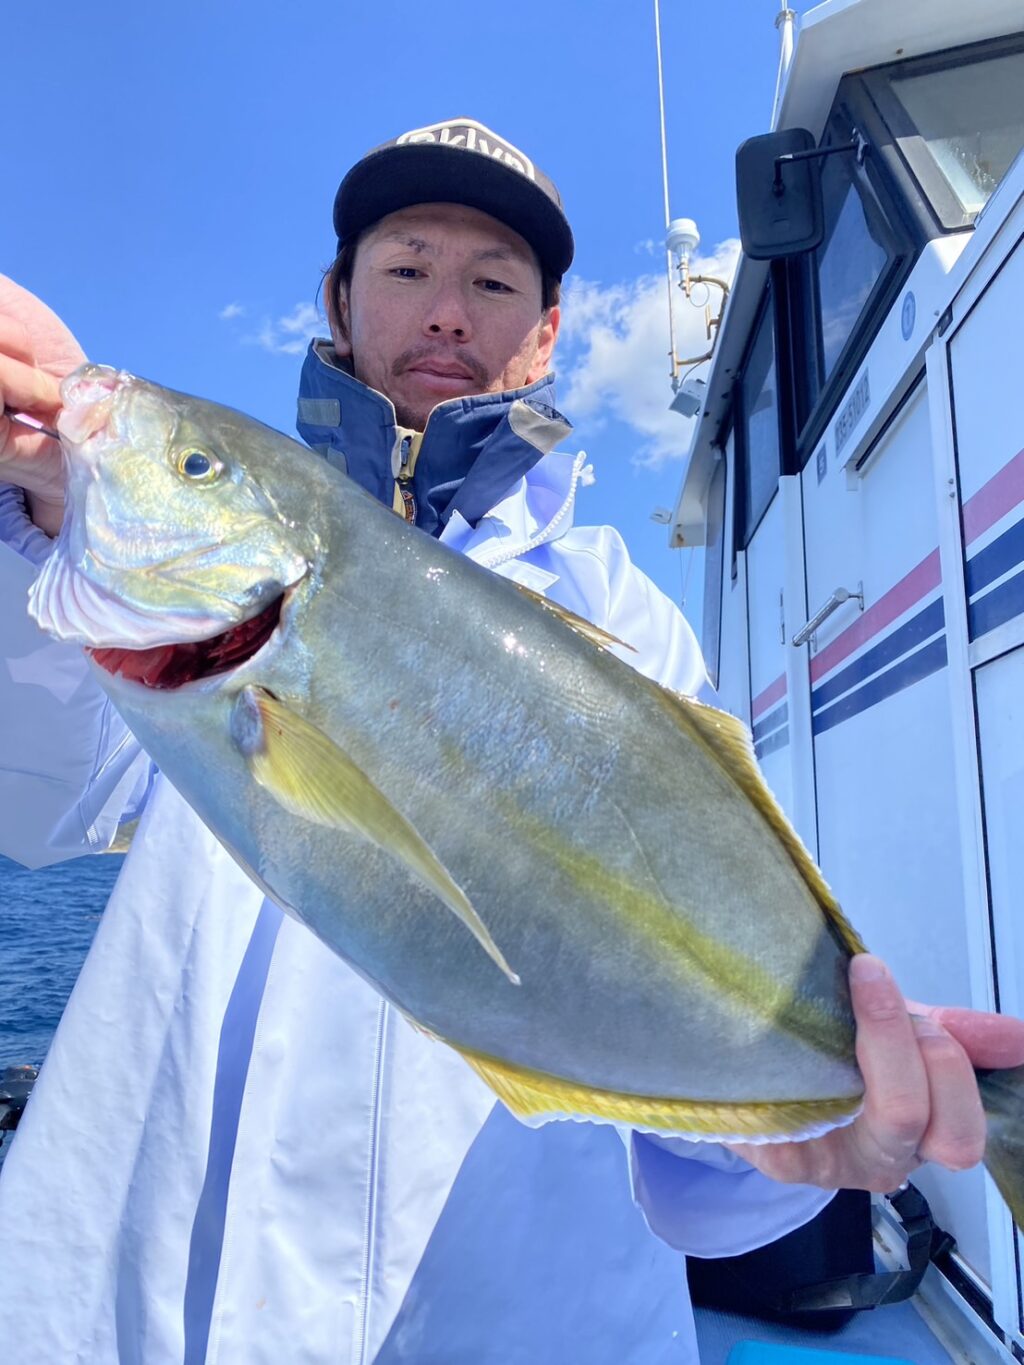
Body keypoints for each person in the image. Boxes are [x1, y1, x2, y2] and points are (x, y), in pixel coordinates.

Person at [0, 117, 1020, 1365]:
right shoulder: (133, 608)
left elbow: (687, 1052)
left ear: (545, 335)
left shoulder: (617, 615)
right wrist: (31, 517)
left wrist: (796, 1124)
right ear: (334, 301)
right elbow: (38, 798)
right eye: (407, 267)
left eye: (493, 284)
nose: (446, 312)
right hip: (148, 1312)